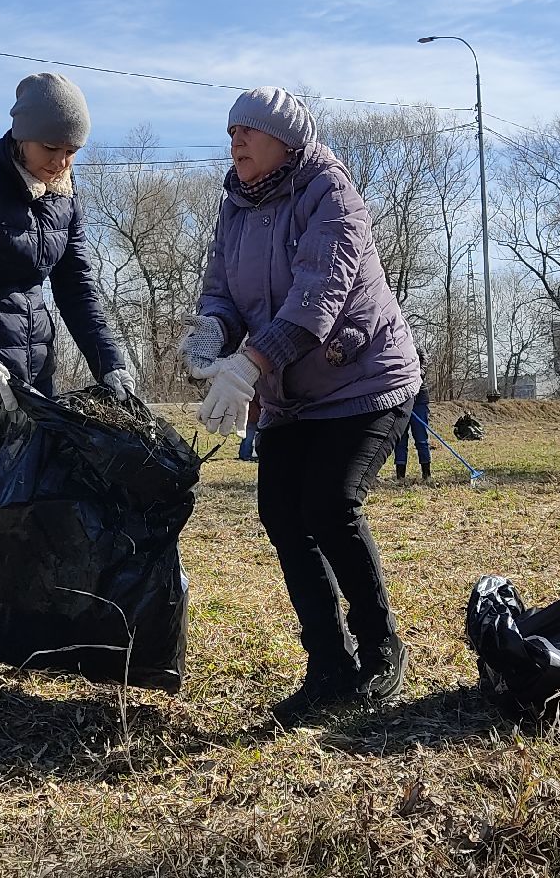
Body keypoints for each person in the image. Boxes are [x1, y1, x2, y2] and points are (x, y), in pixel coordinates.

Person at [180, 86, 422, 723]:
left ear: (284, 140)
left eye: (247, 132)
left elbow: (317, 299)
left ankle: (382, 652)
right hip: (292, 395)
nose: (235, 144)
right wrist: (210, 338)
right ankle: (328, 666)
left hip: (364, 380)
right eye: (231, 132)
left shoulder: (330, 193)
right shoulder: (233, 206)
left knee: (329, 502)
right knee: (281, 512)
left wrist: (249, 365)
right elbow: (222, 295)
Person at [0, 72, 134, 705]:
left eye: (72, 152)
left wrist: (110, 362)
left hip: (37, 377)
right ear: (20, 135)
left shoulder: (64, 196)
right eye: (51, 150)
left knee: (32, 514)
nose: (62, 162)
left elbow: (78, 288)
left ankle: (19, 645)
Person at [389, 354, 432, 481]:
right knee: (401, 438)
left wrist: (411, 375)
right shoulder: (395, 353)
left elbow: (423, 370)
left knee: (421, 437)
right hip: (401, 399)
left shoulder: (419, 352)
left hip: (419, 399)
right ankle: (400, 476)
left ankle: (426, 474)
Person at [238, 396, 260, 462]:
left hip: (249, 418)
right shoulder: (256, 396)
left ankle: (243, 454)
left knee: (246, 437)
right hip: (253, 419)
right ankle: (246, 455)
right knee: (249, 438)